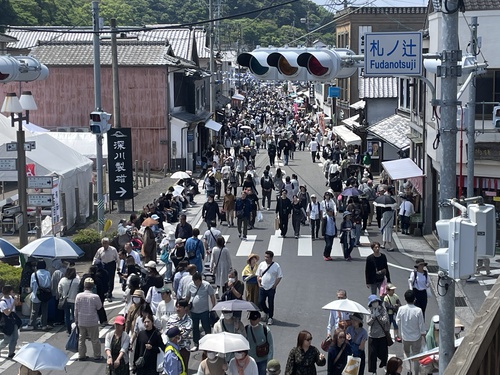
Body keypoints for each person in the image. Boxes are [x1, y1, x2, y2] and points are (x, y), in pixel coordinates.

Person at [395, 290, 426, 375]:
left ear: (405, 299)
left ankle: (408, 370)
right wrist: (424, 335)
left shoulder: (401, 309)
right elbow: (421, 325)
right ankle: (416, 373)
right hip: (416, 337)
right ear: (414, 299)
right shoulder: (418, 310)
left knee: (406, 353)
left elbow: (397, 321)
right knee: (416, 355)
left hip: (405, 337)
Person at [186, 272, 216, 351]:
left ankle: (209, 343)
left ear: (201, 280)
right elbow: (187, 297)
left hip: (204, 311)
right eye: (195, 282)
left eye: (198, 282)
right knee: (195, 328)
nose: (196, 284)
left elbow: (212, 296)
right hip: (193, 311)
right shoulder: (190, 285)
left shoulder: (207, 285)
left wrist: (213, 306)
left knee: (206, 327)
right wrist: (186, 307)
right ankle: (196, 344)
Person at [75, 277, 103, 361]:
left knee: (81, 339)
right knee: (95, 339)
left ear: (84, 286)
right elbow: (99, 307)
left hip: (81, 320)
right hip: (92, 321)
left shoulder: (79, 296)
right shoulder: (95, 296)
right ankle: (97, 355)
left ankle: (81, 355)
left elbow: (76, 309)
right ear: (92, 286)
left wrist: (76, 320)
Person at [257, 251, 283, 325]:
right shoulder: (262, 264)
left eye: (267, 257)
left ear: (271, 258)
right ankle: (267, 311)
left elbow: (279, 276)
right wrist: (259, 284)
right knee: (260, 301)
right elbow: (258, 275)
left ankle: (270, 317)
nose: (266, 258)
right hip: (262, 287)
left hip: (271, 288)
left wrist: (274, 285)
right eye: (265, 257)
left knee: (270, 302)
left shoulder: (276, 266)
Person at [165, 299, 193, 368]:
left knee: (183, 368)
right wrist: (178, 331)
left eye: (180, 307)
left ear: (185, 308)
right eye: (177, 307)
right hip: (171, 347)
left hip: (183, 348)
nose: (178, 309)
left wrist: (174, 331)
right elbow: (168, 331)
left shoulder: (189, 321)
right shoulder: (171, 318)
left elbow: (183, 334)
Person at [366, 294, 389, 374]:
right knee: (372, 355)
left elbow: (384, 320)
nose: (375, 303)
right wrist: (373, 316)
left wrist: (378, 315)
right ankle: (373, 371)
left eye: (376, 301)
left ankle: (384, 364)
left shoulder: (382, 309)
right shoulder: (369, 310)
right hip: (372, 335)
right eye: (373, 302)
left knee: (383, 353)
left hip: (382, 335)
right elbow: (368, 322)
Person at [26, 260, 51, 330]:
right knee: (44, 310)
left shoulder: (34, 274)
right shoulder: (48, 273)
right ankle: (44, 325)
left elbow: (31, 285)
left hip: (36, 294)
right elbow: (49, 283)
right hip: (45, 294)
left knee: (34, 311)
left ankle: (32, 324)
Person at [246, 311, 274, 375]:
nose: (252, 321)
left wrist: (269, 362)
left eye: (254, 320)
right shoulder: (246, 329)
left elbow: (270, 346)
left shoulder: (265, 330)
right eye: (251, 319)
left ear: (259, 319)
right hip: (250, 361)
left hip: (262, 361)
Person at [0, 285, 22, 358]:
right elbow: (7, 313)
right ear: (9, 292)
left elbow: (18, 304)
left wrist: (17, 298)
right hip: (6, 321)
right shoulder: (2, 302)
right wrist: (12, 304)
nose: (13, 292)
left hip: (13, 319)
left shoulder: (11, 298)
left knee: (15, 337)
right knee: (7, 339)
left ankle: (11, 353)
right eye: (12, 291)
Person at [58, 267, 80, 334]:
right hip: (74, 300)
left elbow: (59, 290)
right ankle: (75, 329)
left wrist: (62, 295)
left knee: (66, 316)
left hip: (65, 300)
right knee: (75, 316)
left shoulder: (62, 280)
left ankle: (68, 330)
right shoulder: (77, 280)